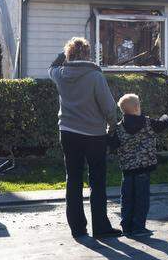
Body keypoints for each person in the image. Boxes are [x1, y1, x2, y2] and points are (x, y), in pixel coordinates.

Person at [50, 37, 122, 239]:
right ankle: (100, 227)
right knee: (97, 181)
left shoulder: (60, 74)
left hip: (67, 133)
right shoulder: (95, 76)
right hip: (94, 135)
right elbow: (108, 106)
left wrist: (62, 56)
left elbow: (51, 67)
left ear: (69, 55)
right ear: (88, 55)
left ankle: (77, 228)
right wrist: (112, 125)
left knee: (73, 179)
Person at [107, 94, 168, 238]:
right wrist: (166, 116)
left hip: (127, 170)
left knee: (127, 198)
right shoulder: (148, 123)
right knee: (141, 198)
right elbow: (164, 123)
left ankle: (126, 226)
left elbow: (113, 144)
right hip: (143, 168)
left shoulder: (118, 128)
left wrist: (107, 134)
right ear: (137, 108)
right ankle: (138, 227)